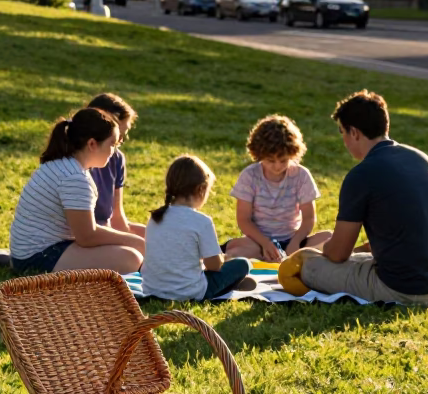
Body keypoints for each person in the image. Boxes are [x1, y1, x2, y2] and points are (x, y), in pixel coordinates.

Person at [281, 90, 428, 305]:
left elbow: (338, 253)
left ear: (354, 133)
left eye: (343, 132)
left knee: (307, 264)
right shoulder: (420, 158)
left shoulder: (361, 174)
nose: (344, 141)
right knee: (356, 259)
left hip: (405, 290)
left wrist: (314, 251)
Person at [9, 107, 145, 274]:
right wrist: (135, 241)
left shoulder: (63, 165)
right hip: (37, 258)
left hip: (35, 251)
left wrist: (130, 240)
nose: (114, 151)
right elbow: (86, 236)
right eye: (112, 144)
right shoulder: (75, 178)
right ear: (92, 144)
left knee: (130, 252)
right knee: (131, 258)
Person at [142, 155, 252, 301]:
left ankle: (230, 284)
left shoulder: (155, 218)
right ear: (200, 189)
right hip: (189, 294)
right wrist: (224, 258)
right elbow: (214, 266)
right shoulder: (202, 221)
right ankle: (230, 284)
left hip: (152, 290)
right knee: (243, 264)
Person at [224, 114, 331, 263]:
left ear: (293, 153)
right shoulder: (249, 176)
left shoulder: (301, 175)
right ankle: (269, 257)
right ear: (258, 155)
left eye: (283, 160)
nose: (277, 166)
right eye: (270, 160)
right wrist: (265, 243)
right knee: (237, 249)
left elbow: (308, 218)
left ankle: (284, 258)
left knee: (329, 238)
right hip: (258, 242)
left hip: (293, 241)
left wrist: (296, 242)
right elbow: (244, 220)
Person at [85, 92, 146, 241]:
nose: (119, 142)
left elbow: (116, 218)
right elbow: (84, 230)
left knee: (160, 235)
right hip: (86, 233)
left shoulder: (116, 158)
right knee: (135, 254)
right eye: (117, 135)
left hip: (105, 227)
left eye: (123, 136)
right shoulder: (75, 161)